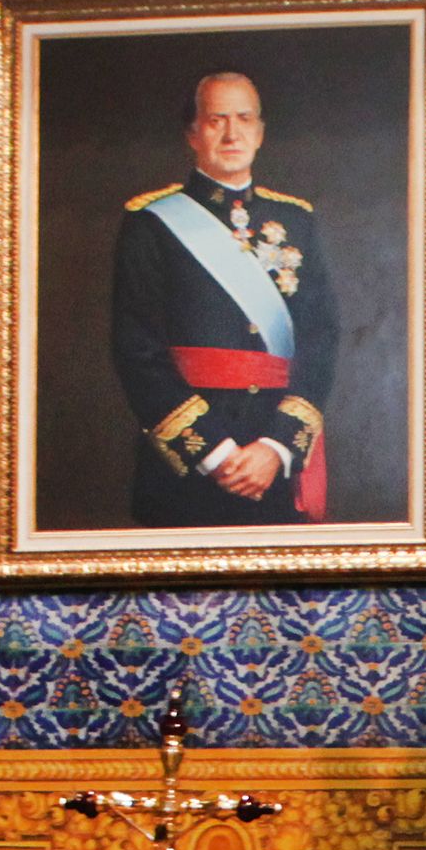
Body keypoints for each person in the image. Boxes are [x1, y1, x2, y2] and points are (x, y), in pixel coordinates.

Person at [109, 70, 338, 529]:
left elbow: (320, 338)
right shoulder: (150, 223)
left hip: (274, 460)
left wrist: (276, 448)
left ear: (260, 131)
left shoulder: (297, 219)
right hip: (187, 470)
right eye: (216, 120)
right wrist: (215, 453)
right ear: (193, 134)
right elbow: (137, 351)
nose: (232, 133)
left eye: (244, 118)